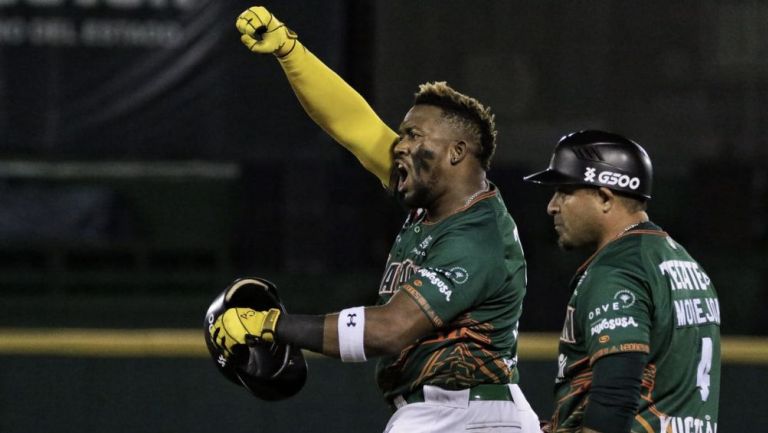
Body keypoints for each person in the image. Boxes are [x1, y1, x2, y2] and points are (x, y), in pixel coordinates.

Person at [208, 5, 541, 433]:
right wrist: (291, 52)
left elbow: (390, 329)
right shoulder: (432, 198)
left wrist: (272, 325)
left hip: (469, 414)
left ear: (456, 152)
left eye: (414, 135)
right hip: (444, 413)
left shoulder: (478, 235)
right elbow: (355, 125)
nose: (399, 146)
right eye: (401, 135)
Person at [523, 130, 720, 433]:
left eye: (564, 191)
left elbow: (614, 398)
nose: (553, 205)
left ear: (604, 197)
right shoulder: (685, 264)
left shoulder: (617, 270)